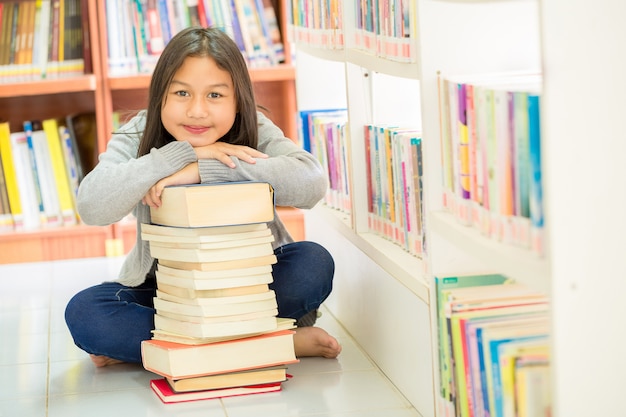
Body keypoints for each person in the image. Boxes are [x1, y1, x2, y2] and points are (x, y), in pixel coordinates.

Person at [64, 26, 342, 367]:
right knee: (86, 313)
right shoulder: (137, 132)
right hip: (168, 296)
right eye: (182, 93)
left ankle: (170, 349)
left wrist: (207, 167)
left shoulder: (254, 127)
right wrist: (180, 156)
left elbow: (311, 182)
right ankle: (276, 342)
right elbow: (92, 205)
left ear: (237, 100)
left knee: (313, 262)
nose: (197, 111)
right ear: (160, 95)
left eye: (215, 95)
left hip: (251, 287)